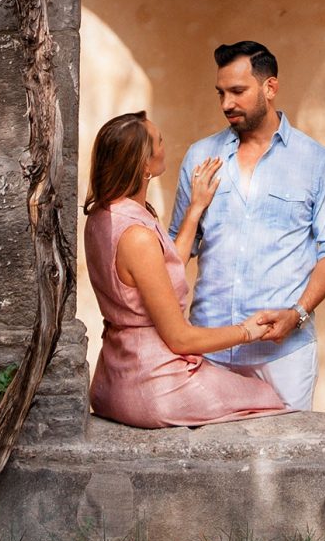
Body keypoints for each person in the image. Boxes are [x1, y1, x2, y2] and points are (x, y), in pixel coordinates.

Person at [167, 40, 325, 412]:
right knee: (209, 450)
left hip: (283, 354)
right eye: (221, 93)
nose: (226, 104)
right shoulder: (201, 157)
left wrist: (297, 315)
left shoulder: (316, 162)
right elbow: (176, 252)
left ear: (270, 88)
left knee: (287, 448)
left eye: (237, 91)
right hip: (210, 349)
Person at [83, 111, 295, 428]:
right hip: (155, 387)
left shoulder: (102, 216)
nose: (164, 146)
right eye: (159, 141)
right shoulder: (137, 236)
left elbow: (162, 272)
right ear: (144, 164)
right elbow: (180, 339)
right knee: (266, 396)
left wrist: (195, 209)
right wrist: (248, 332)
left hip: (112, 381)